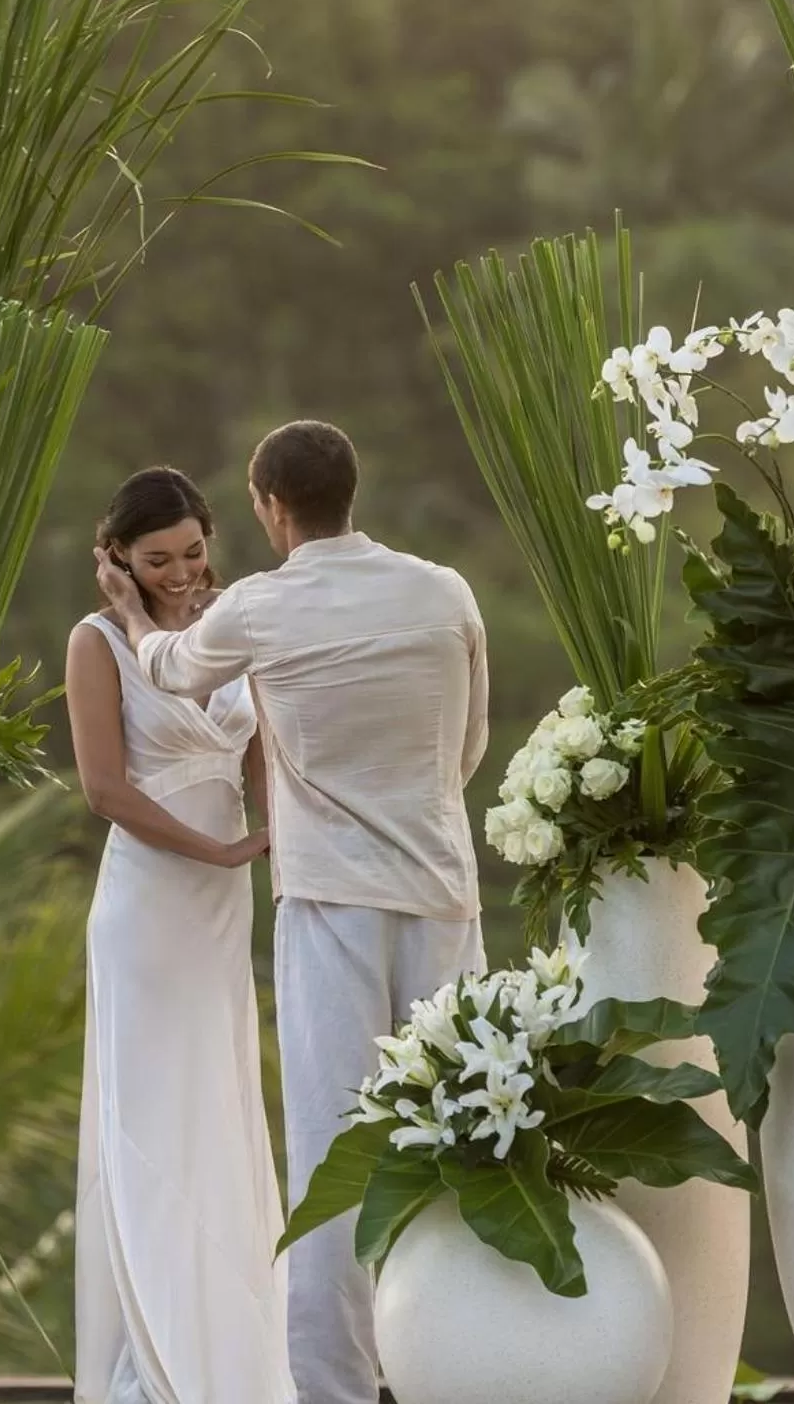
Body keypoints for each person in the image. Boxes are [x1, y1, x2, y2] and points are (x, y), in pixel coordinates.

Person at [95, 421, 489, 1404]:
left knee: (332, 1157)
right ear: (351, 489)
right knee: (468, 1131)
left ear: (268, 507)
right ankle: (472, 1367)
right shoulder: (444, 594)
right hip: (442, 891)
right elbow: (467, 747)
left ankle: (336, 1393)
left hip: (329, 903)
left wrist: (129, 615)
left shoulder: (262, 608)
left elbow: (166, 670)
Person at [67, 466, 296, 1404]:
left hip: (224, 900)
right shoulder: (97, 642)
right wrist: (220, 848)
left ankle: (234, 1347)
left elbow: (265, 757)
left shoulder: (231, 626)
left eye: (193, 551)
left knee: (219, 1101)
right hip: (153, 903)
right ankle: (155, 1360)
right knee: (153, 1111)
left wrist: (282, 849)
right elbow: (104, 790)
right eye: (155, 559)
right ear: (116, 558)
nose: (179, 571)